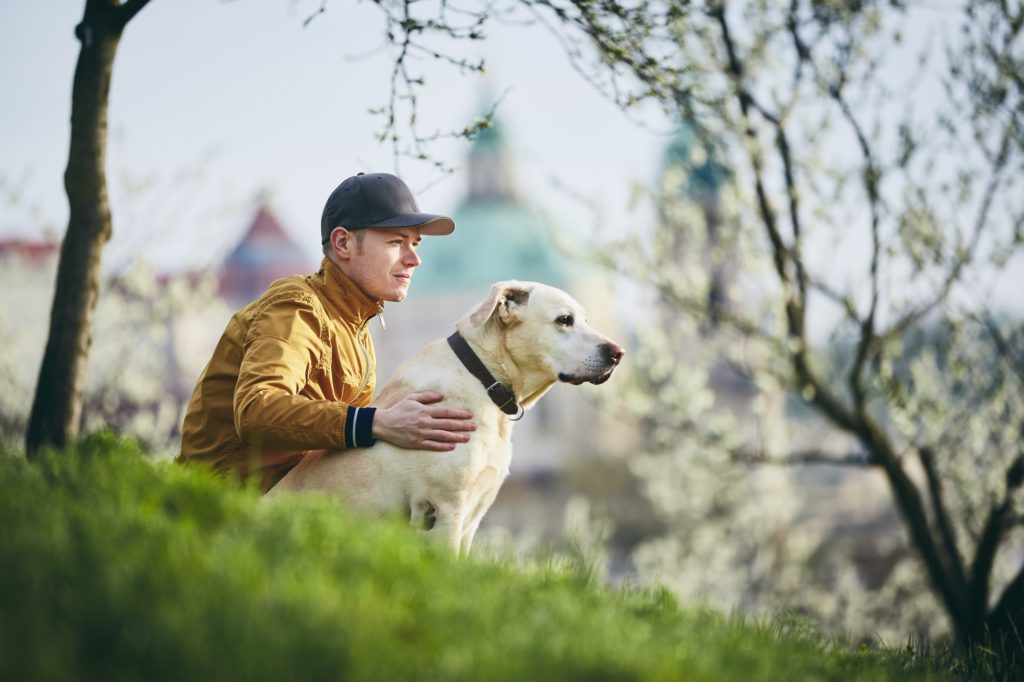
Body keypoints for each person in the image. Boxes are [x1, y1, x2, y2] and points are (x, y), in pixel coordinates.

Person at [176, 172, 476, 491]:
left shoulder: (355, 327)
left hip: (291, 506)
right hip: (221, 507)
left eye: (415, 243)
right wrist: (376, 422)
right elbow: (257, 409)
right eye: (396, 241)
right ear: (343, 242)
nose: (414, 258)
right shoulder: (297, 307)